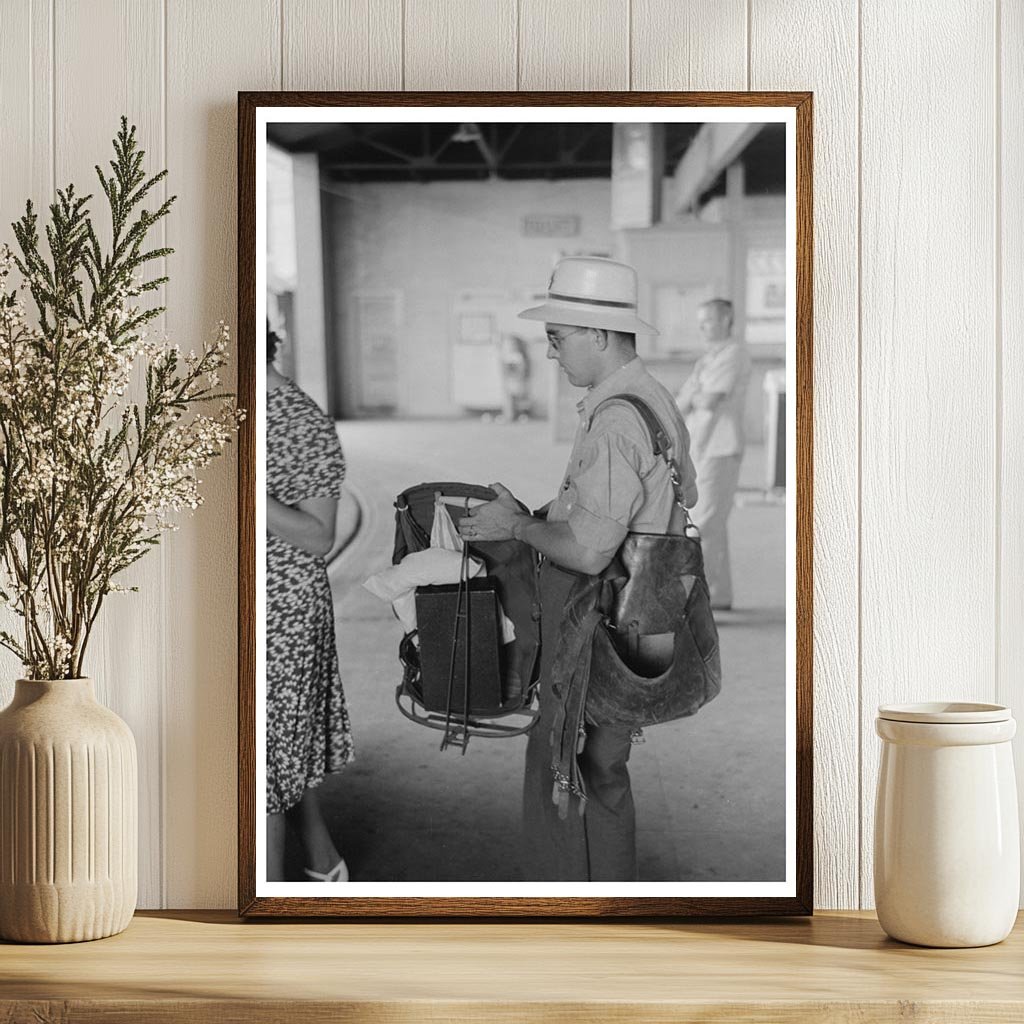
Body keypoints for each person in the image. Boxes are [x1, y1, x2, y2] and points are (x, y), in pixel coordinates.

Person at [457, 257, 697, 881]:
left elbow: (591, 550)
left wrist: (516, 528)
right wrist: (538, 513)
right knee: (606, 771)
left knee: (566, 770)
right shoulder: (654, 398)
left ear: (598, 334)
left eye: (558, 340)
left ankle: (570, 912)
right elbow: (642, 506)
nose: (552, 354)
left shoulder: (616, 418)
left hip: (600, 629)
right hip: (646, 619)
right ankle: (609, 904)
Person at [265, 320, 353, 882]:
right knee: (275, 754)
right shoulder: (225, 405)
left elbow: (320, 537)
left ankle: (262, 913)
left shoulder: (303, 421)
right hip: (249, 600)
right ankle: (325, 863)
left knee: (264, 770)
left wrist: (248, 483)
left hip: (284, 610)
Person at [675, 299, 751, 610]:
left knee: (704, 523)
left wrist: (695, 395)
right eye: (700, 321)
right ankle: (719, 596)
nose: (702, 327)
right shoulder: (710, 358)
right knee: (711, 523)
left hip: (721, 449)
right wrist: (694, 396)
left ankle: (699, 601)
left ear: (726, 320)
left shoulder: (734, 354)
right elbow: (683, 401)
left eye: (707, 320)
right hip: (703, 447)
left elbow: (707, 400)